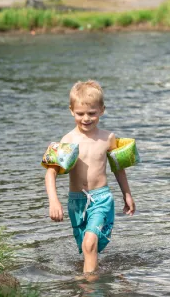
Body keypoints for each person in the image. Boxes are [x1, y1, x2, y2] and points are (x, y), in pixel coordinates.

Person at [44, 80, 136, 273]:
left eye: (92, 113)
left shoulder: (107, 138)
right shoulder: (68, 140)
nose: (86, 118)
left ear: (102, 110)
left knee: (90, 243)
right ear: (71, 111)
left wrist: (126, 194)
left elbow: (118, 168)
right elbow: (50, 173)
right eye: (80, 113)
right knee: (85, 247)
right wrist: (54, 201)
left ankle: (89, 290)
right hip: (76, 202)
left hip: (101, 198)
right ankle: (92, 274)